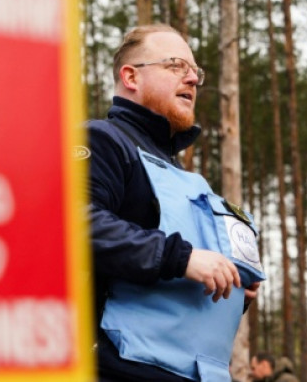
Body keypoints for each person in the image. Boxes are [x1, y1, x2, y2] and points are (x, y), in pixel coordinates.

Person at [88, 24, 265, 382]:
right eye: (175, 66)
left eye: (195, 71)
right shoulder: (104, 140)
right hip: (124, 369)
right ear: (131, 77)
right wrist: (181, 257)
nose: (193, 80)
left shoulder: (185, 175)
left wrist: (234, 291)